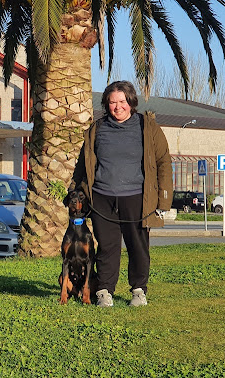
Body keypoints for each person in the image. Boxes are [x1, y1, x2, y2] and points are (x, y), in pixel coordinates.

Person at [67, 80, 173, 308]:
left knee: (138, 246)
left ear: (131, 102)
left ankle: (138, 290)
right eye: (112, 102)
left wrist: (164, 199)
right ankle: (104, 291)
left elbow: (164, 161)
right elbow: (82, 164)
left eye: (122, 102)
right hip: (102, 198)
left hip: (137, 198)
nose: (118, 107)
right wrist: (75, 189)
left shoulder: (148, 127)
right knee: (107, 246)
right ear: (106, 104)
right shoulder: (97, 129)